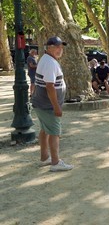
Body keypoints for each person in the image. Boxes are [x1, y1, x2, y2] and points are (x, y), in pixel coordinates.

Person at [31, 36, 73, 172]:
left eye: (61, 47)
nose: (60, 49)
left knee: (45, 130)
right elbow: (50, 86)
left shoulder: (46, 59)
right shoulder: (50, 63)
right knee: (55, 132)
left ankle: (45, 157)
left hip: (40, 103)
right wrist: (56, 107)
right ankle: (55, 162)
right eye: (57, 46)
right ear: (49, 47)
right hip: (47, 105)